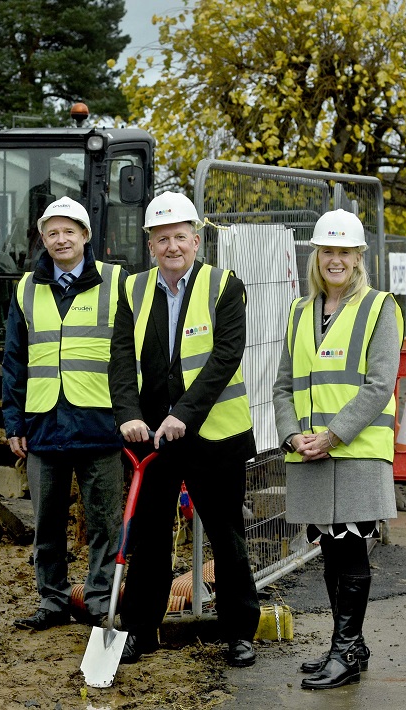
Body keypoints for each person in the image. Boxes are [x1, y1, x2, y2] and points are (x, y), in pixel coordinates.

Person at [108, 191, 261, 667]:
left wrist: (185, 414)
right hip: (151, 440)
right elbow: (118, 359)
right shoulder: (133, 290)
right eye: (162, 238)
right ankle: (139, 629)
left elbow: (224, 357)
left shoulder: (223, 286)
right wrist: (128, 415)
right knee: (149, 539)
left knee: (226, 536)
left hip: (214, 437)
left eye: (180, 237)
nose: (172, 246)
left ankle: (239, 632)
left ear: (196, 241)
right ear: (150, 244)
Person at [273, 209, 402, 690]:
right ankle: (348, 644)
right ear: (316, 254)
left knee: (350, 551)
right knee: (329, 549)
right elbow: (283, 385)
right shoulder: (298, 312)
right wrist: (292, 436)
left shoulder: (379, 308)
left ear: (358, 257)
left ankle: (344, 650)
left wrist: (332, 435)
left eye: (345, 251)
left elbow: (379, 385)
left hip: (355, 450)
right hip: (308, 452)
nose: (336, 259)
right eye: (328, 250)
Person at [2, 196, 126, 631]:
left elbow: (128, 357)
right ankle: (52, 601)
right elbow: (14, 360)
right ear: (43, 238)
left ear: (86, 236)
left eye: (69, 231)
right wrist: (13, 421)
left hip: (101, 425)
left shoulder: (116, 282)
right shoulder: (25, 288)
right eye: (52, 232)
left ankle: (97, 602)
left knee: (105, 525)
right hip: (44, 426)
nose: (60, 239)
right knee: (47, 525)